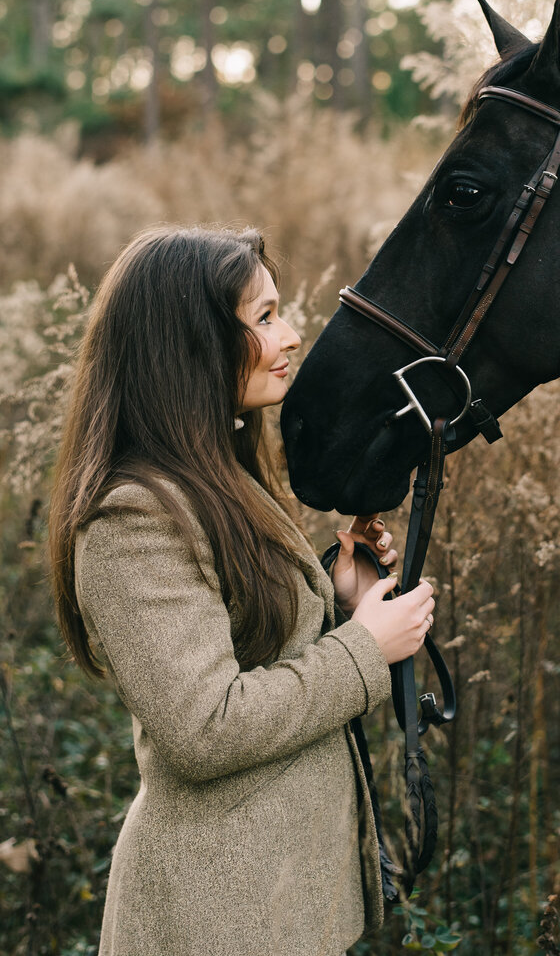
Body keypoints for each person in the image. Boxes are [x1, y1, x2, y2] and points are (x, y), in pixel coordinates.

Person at [48, 225, 436, 956]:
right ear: (189, 344)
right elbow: (205, 725)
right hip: (214, 916)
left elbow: (258, 657)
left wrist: (343, 599)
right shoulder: (131, 517)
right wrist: (363, 651)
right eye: (263, 318)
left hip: (285, 900)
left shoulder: (219, 472)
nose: (290, 337)